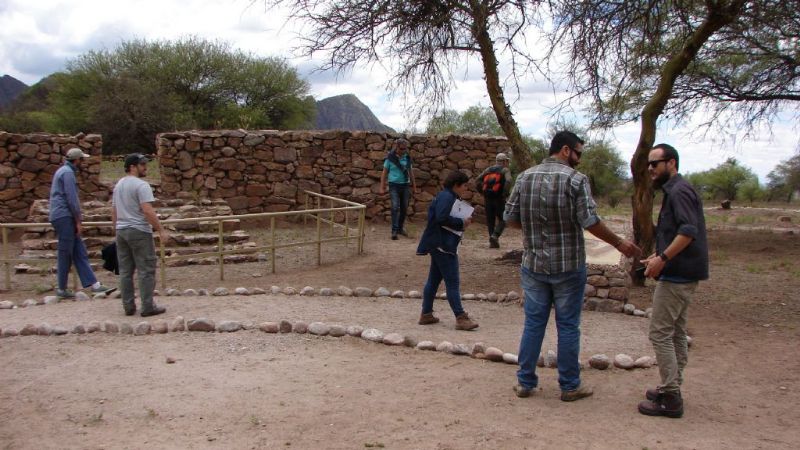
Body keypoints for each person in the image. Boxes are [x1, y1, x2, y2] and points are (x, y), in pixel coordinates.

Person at [505, 130, 640, 401]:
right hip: (568, 266)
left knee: (534, 323)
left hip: (533, 264)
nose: (580, 158)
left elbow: (510, 217)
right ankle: (569, 385)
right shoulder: (577, 180)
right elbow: (589, 221)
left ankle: (525, 382)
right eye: (578, 152)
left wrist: (533, 227)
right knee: (567, 325)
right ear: (565, 150)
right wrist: (619, 243)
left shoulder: (524, 177)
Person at [637, 143, 708, 418]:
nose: (651, 169)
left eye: (656, 163)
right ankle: (672, 387)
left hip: (678, 275)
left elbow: (689, 231)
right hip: (682, 271)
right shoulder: (675, 191)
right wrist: (658, 254)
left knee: (660, 332)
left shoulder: (679, 191)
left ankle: (671, 396)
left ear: (672, 163)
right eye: (649, 165)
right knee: (676, 331)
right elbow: (680, 231)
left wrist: (662, 259)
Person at [416, 170, 479, 331]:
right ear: (456, 185)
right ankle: (460, 317)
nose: (466, 189)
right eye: (464, 185)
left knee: (434, 280)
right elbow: (441, 218)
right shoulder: (447, 197)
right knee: (452, 282)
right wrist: (461, 222)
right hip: (442, 244)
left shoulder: (447, 196)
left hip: (439, 243)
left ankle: (426, 313)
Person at [49, 147, 114, 299]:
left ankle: (94, 284)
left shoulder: (62, 171)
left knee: (79, 251)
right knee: (65, 253)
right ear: (77, 160)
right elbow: (72, 199)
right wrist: (78, 220)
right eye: (82, 160)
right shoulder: (68, 173)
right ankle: (62, 288)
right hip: (65, 216)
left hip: (61, 215)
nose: (83, 162)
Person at [112, 153, 168, 317]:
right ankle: (147, 306)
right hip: (138, 230)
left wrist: (116, 228)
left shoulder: (119, 185)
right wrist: (160, 230)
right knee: (146, 269)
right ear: (132, 167)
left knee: (125, 271)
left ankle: (128, 306)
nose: (145, 168)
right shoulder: (141, 186)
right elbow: (147, 210)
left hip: (122, 230)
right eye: (142, 165)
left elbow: (114, 210)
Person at [380, 138, 418, 240]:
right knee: (395, 207)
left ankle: (400, 228)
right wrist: (382, 187)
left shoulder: (407, 157)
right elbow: (384, 173)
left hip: (405, 185)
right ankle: (394, 230)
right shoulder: (390, 158)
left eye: (405, 149)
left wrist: (414, 187)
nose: (403, 150)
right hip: (394, 185)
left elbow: (411, 173)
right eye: (402, 149)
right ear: (396, 147)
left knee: (404, 208)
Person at [476, 152, 513, 248]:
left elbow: (477, 180)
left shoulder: (488, 170)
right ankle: (495, 235)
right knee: (503, 219)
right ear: (504, 161)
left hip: (488, 198)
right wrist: (505, 193)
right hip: (499, 198)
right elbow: (508, 181)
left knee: (490, 220)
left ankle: (492, 241)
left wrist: (482, 192)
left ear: (497, 161)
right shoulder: (505, 170)